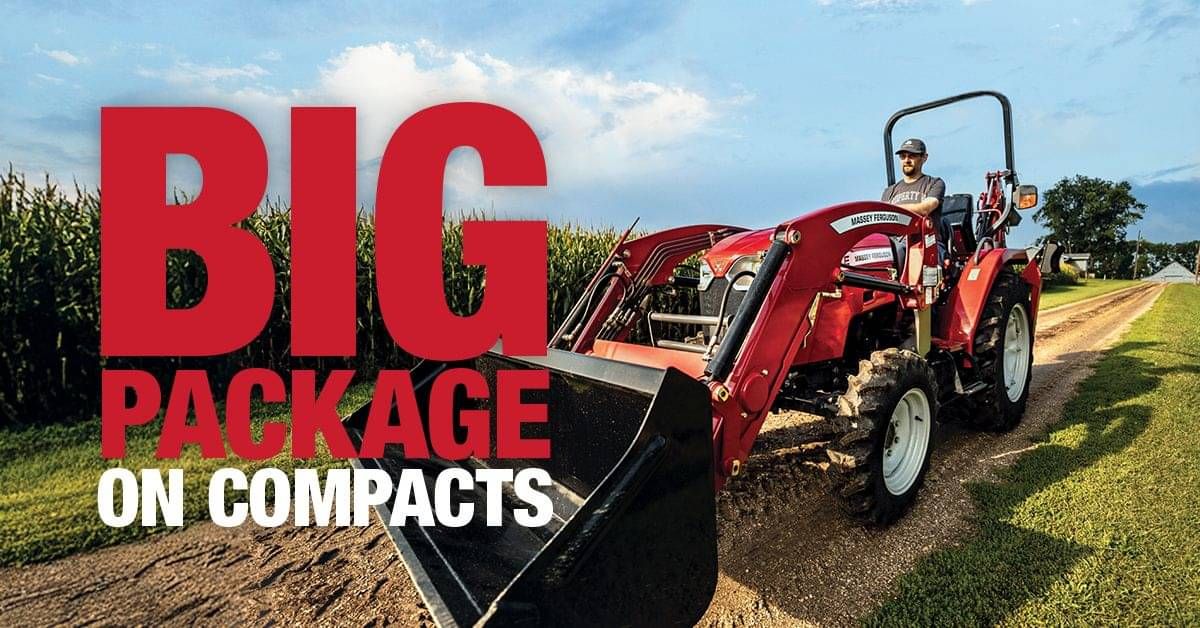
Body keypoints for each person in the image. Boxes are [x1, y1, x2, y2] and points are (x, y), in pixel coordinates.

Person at [882, 138, 945, 223]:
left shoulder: (934, 183)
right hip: (896, 235)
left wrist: (892, 210)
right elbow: (882, 217)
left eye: (912, 156)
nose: (907, 160)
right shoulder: (889, 191)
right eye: (903, 156)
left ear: (924, 157)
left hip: (923, 235)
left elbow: (925, 209)